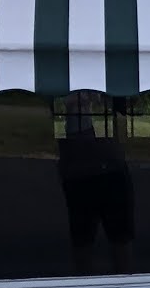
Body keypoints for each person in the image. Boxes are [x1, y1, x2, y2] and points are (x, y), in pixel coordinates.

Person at [55, 91, 137, 275]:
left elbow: (130, 107)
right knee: (82, 240)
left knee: (120, 238)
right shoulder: (61, 80)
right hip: (79, 170)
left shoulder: (107, 81)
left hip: (108, 168)